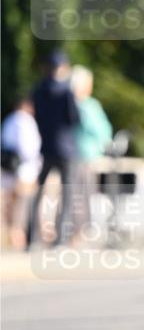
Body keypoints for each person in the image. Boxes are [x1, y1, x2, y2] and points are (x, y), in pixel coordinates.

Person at [26, 50, 80, 247]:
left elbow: (37, 117)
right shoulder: (66, 92)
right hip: (65, 150)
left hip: (45, 147)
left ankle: (31, 239)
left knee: (38, 194)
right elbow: (74, 119)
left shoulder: (38, 90)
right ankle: (60, 240)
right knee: (66, 195)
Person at [70, 65, 113, 239]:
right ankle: (80, 230)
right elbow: (103, 132)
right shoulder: (87, 106)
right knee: (81, 196)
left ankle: (80, 230)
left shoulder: (84, 105)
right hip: (83, 156)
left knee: (80, 196)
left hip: (82, 156)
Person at [1, 97, 42, 249]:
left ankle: (12, 234)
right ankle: (19, 235)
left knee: (11, 204)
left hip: (9, 168)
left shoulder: (9, 120)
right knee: (23, 205)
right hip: (24, 168)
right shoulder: (25, 121)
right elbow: (29, 148)